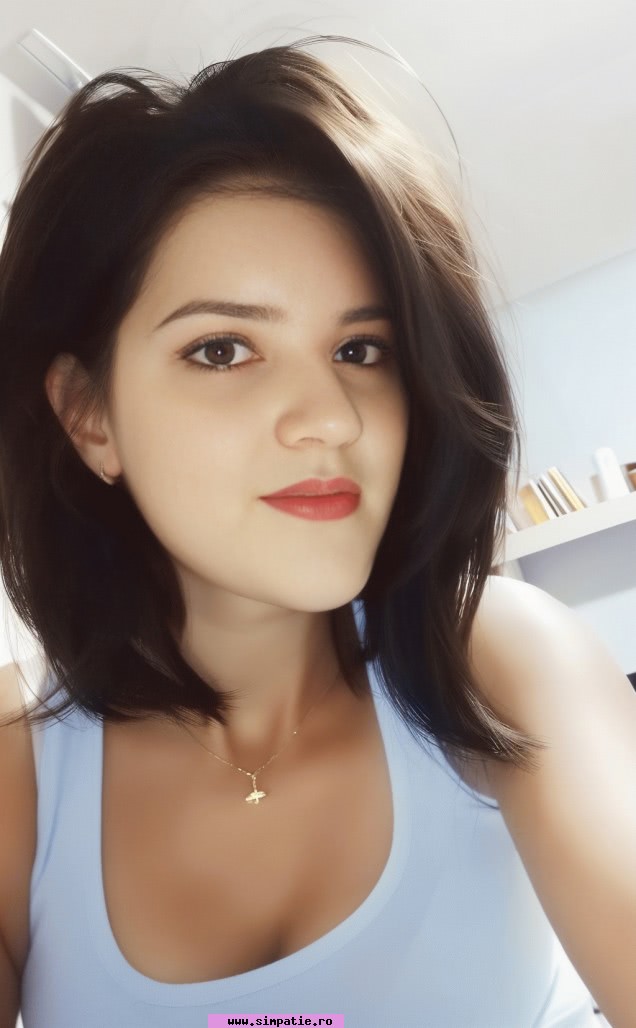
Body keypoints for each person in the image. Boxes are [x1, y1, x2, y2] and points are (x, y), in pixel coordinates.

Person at [0, 35, 633, 1028]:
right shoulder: (19, 767)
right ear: (90, 416)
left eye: (361, 349)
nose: (332, 417)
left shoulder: (507, 660)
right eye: (223, 349)